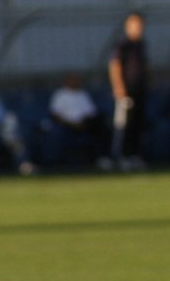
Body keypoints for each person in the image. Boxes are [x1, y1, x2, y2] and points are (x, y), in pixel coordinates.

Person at [107, 11, 148, 172]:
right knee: (124, 126)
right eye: (134, 25)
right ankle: (120, 157)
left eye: (140, 25)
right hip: (126, 92)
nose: (138, 28)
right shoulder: (123, 44)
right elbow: (115, 65)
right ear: (127, 26)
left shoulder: (141, 44)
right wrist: (119, 88)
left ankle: (134, 156)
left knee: (138, 124)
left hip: (140, 91)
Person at [42, 72, 104, 167]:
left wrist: (83, 123)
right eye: (72, 80)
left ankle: (101, 159)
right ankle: (56, 163)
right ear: (66, 81)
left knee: (101, 128)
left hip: (84, 125)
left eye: (77, 80)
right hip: (66, 126)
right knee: (56, 133)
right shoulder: (60, 95)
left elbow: (91, 113)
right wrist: (72, 124)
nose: (75, 82)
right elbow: (55, 114)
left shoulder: (82, 94)